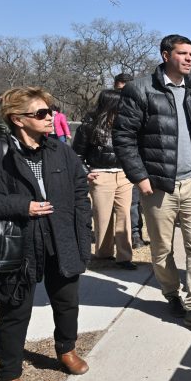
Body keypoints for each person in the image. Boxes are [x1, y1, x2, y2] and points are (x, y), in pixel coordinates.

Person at [113, 34, 191, 334]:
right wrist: (140, 177)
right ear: (166, 56)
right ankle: (171, 294)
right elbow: (123, 137)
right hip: (159, 187)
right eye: (182, 53)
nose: (189, 58)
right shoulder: (140, 89)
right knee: (162, 250)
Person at [0, 87, 92, 381]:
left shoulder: (60, 149)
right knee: (15, 308)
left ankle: (66, 349)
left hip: (61, 237)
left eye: (50, 111)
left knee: (66, 302)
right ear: (18, 119)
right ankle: (10, 370)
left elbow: (79, 191)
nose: (51, 117)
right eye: (41, 113)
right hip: (20, 243)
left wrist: (82, 232)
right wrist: (22, 206)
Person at [72, 90, 137, 270]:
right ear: (111, 104)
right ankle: (104, 254)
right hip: (101, 176)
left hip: (124, 176)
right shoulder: (89, 126)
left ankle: (125, 257)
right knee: (103, 217)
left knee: (125, 215)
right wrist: (86, 171)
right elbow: (76, 154)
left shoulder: (125, 124)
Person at [113, 73, 147, 248]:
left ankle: (135, 234)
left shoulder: (139, 110)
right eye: (119, 91)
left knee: (134, 203)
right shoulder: (107, 109)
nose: (122, 96)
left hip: (132, 164)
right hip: (111, 166)